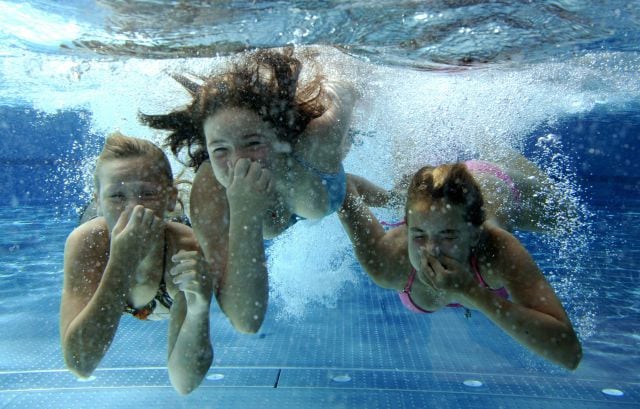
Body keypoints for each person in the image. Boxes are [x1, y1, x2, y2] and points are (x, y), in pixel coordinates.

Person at [140, 47, 382, 334]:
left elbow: (344, 89)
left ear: (278, 135)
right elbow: (246, 320)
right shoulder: (210, 191)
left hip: (319, 171)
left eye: (253, 143)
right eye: (220, 149)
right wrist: (245, 212)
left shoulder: (318, 141)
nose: (239, 162)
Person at [338, 162, 583, 370]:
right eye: (419, 235)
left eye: (448, 236)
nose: (432, 250)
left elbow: (570, 354)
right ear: (406, 225)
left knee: (570, 218)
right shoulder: (388, 261)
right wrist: (388, 198)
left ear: (474, 235)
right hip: (442, 202)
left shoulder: (497, 251)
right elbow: (343, 185)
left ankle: (493, 143)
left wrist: (472, 291)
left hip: (494, 184)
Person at [60, 132, 213, 395]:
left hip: (170, 233)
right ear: (98, 201)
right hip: (103, 232)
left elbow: (184, 383)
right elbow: (80, 364)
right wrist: (122, 260)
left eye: (147, 193)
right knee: (96, 228)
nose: (134, 209)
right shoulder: (88, 244)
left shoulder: (186, 250)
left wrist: (199, 310)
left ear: (169, 198)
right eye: (117, 197)